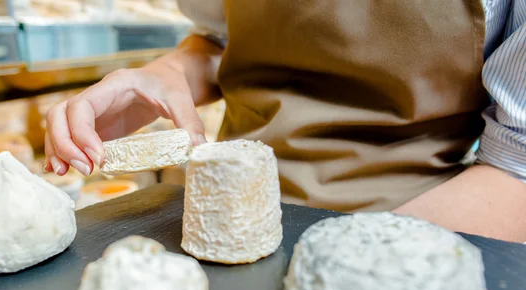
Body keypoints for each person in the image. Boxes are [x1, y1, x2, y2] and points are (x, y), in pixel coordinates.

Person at [44, 0, 526, 243]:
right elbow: (220, 41)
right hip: (222, 220)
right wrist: (166, 75)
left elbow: (516, 167)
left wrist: (344, 265)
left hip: (410, 232)